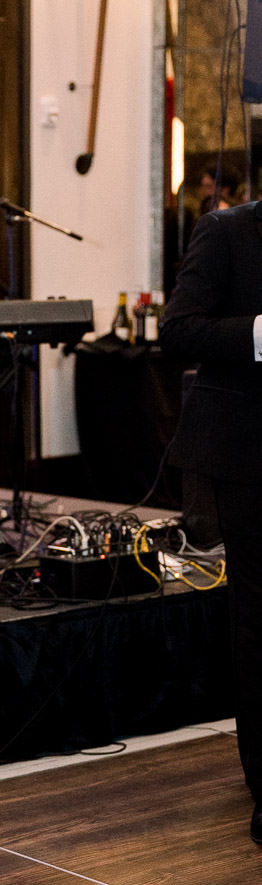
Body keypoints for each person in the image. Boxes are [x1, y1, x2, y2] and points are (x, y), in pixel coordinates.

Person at [159, 198, 262, 844]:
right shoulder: (227, 232)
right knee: (259, 623)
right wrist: (257, 334)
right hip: (249, 459)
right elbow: (177, 330)